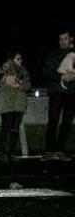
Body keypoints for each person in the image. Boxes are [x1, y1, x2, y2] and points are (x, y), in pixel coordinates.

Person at [40, 30, 75, 161]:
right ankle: (49, 150)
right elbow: (46, 73)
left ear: (71, 39)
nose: (62, 42)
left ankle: (61, 149)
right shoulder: (53, 55)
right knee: (53, 121)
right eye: (60, 39)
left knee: (67, 122)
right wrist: (63, 76)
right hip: (56, 93)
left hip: (72, 94)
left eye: (65, 39)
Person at [0, 52, 31, 162]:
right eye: (18, 58)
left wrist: (19, 85)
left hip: (19, 103)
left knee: (15, 128)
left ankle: (12, 152)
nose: (20, 60)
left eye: (21, 58)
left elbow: (28, 85)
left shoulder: (23, 70)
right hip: (8, 103)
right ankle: (3, 152)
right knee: (7, 127)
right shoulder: (5, 69)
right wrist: (7, 80)